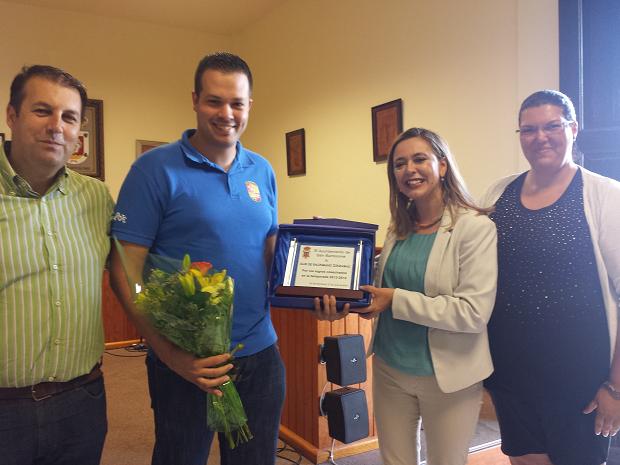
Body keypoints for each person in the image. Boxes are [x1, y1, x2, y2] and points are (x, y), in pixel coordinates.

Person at [109, 52, 284, 465]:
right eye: (214, 101)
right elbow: (125, 270)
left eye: (236, 103)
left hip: (260, 352)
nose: (226, 114)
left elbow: (270, 254)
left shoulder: (262, 170)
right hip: (186, 361)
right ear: (194, 100)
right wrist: (170, 354)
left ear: (249, 106)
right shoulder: (153, 170)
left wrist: (316, 294)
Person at [318, 128, 497, 465]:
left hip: (448, 376)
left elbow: (472, 313)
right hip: (390, 368)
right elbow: (376, 289)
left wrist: (395, 300)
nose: (409, 170)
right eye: (399, 164)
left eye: (419, 159)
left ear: (442, 165)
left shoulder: (475, 228)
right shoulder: (398, 227)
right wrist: (339, 292)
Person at [481, 90, 620, 465]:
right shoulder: (499, 193)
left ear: (573, 129)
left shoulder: (605, 196)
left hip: (582, 381)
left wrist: (616, 387)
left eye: (552, 126)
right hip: (512, 375)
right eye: (529, 130)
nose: (540, 137)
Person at [0, 65, 114, 465]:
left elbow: (134, 272)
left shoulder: (98, 198)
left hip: (82, 403)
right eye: (42, 110)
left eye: (69, 117)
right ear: (12, 115)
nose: (56, 127)